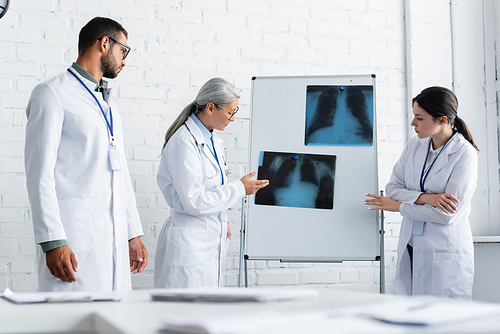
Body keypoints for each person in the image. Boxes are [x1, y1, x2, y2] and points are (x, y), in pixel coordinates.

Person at [24, 17, 148, 292]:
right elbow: (39, 174)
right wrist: (53, 240)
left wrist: (132, 233)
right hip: (75, 238)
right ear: (105, 43)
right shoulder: (52, 94)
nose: (124, 61)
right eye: (123, 51)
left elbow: (121, 172)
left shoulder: (108, 104)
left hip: (112, 239)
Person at [364, 86, 478, 299]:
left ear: (442, 120)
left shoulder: (464, 154)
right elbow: (393, 188)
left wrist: (398, 207)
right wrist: (428, 199)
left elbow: (447, 214)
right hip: (411, 245)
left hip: (442, 249)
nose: (413, 124)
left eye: (419, 118)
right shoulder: (415, 145)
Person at [154, 78, 269, 289]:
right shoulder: (183, 142)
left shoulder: (213, 140)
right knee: (185, 313)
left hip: (209, 240)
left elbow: (211, 188)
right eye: (230, 112)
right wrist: (239, 188)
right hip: (189, 243)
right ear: (210, 107)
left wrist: (221, 220)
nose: (233, 118)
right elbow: (193, 201)